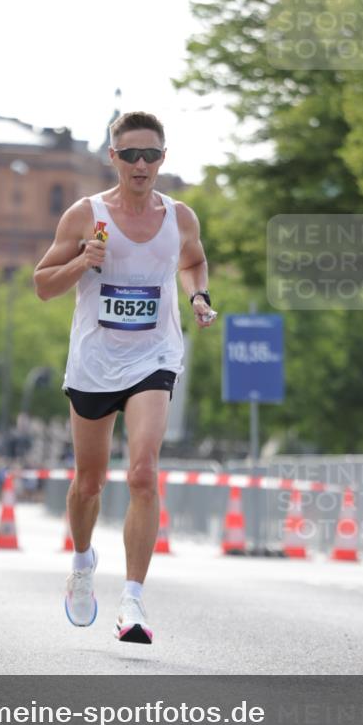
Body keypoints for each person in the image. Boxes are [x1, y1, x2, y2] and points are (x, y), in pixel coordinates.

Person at [34, 111, 217, 644]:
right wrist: (82, 262)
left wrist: (199, 297)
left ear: (163, 158)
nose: (141, 164)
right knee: (88, 482)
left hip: (153, 357)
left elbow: (194, 261)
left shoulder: (181, 216)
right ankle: (83, 563)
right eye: (130, 155)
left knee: (142, 473)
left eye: (151, 155)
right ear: (113, 158)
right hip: (94, 362)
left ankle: (133, 602)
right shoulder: (84, 216)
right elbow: (43, 286)